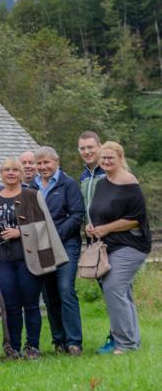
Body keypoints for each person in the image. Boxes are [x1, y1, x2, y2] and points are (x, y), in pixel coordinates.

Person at [0, 159, 68, 359]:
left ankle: (32, 346)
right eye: (7, 170)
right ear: (0, 173)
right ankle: (13, 348)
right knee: (10, 306)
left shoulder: (33, 196)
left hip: (29, 260)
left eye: (14, 170)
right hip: (2, 261)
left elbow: (46, 228)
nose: (11, 173)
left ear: (21, 173)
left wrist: (20, 232)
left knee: (31, 304)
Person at [86, 141, 151, 355]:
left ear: (120, 158)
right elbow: (99, 211)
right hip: (109, 244)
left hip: (131, 244)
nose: (105, 161)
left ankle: (124, 343)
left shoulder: (129, 183)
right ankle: (133, 341)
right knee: (122, 292)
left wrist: (105, 228)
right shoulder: (103, 182)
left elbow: (135, 219)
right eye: (102, 158)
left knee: (113, 287)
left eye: (110, 158)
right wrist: (92, 227)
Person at [33, 146, 85, 355]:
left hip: (66, 245)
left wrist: (56, 235)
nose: (43, 167)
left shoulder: (68, 184)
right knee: (49, 294)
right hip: (42, 248)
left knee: (65, 290)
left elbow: (77, 215)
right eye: (40, 163)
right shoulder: (31, 187)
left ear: (57, 162)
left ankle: (74, 342)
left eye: (47, 162)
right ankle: (59, 341)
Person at [77, 130, 112, 353]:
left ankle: (120, 337)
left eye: (91, 147)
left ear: (99, 146)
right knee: (106, 289)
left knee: (116, 290)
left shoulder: (109, 171)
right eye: (82, 148)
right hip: (94, 239)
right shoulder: (84, 176)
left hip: (114, 239)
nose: (87, 152)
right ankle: (119, 334)